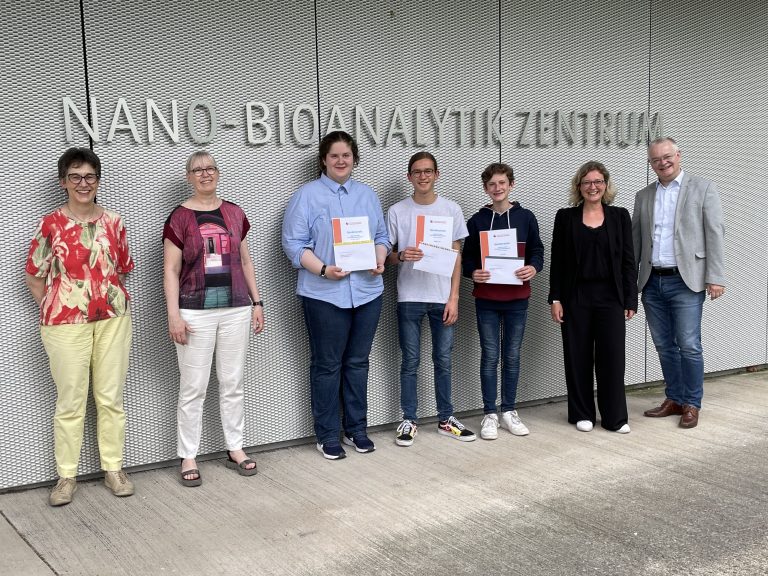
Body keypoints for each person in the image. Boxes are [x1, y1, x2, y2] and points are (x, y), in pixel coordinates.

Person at [25, 147, 135, 506]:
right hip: (64, 323)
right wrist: (55, 305)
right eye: (75, 176)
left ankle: (113, 468)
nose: (83, 183)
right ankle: (66, 475)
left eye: (89, 176)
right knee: (71, 400)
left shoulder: (114, 222)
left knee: (110, 397)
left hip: (113, 319)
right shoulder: (50, 224)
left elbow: (122, 267)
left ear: (98, 181)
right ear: (63, 182)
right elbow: (34, 275)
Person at [282, 131, 389, 460]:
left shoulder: (368, 195)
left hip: (368, 292)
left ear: (355, 158)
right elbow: (294, 245)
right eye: (334, 156)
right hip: (324, 294)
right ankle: (327, 434)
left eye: (346, 155)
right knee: (327, 365)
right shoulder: (306, 196)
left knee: (358, 363)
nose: (341, 161)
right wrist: (324, 269)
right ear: (323, 161)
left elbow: (381, 236)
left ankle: (356, 429)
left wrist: (380, 258)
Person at [163, 151, 264, 486]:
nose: (204, 174)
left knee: (232, 382)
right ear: (188, 176)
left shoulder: (235, 213)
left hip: (235, 308)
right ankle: (188, 454)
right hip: (194, 312)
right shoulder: (179, 218)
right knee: (194, 387)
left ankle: (235, 447)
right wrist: (173, 314)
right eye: (197, 169)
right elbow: (171, 271)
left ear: (218, 173)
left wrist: (257, 302)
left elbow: (246, 262)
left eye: (210, 168)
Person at [633, 137, 725, 429]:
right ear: (651, 164)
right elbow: (636, 241)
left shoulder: (703, 188)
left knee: (689, 344)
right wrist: (628, 281)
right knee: (664, 345)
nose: (663, 162)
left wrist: (715, 276)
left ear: (678, 155)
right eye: (656, 159)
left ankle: (691, 403)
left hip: (687, 281)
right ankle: (674, 398)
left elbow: (715, 233)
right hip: (652, 281)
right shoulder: (644, 195)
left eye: (667, 156)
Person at [386, 152, 474, 446]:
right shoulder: (397, 211)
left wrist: (454, 297)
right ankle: (409, 419)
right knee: (409, 361)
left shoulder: (451, 209)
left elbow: (457, 255)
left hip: (441, 297)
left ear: (437, 174)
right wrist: (400, 256)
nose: (423, 176)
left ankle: (445, 419)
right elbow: (385, 255)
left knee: (444, 360)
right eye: (417, 172)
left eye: (428, 171)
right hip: (409, 295)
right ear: (408, 176)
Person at [548, 161, 637, 433]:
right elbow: (558, 262)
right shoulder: (565, 218)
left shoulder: (620, 216)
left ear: (606, 185)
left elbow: (628, 261)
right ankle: (581, 413)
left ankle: (615, 418)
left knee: (612, 357)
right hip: (576, 297)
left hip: (611, 297)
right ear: (579, 187)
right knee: (577, 356)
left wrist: (631, 299)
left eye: (598, 181)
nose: (593, 187)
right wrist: (556, 298)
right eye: (587, 182)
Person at [463, 163, 544, 440]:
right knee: (490, 356)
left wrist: (533, 267)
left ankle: (509, 410)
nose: (497, 188)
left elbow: (537, 250)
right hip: (486, 298)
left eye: (502, 183)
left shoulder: (526, 217)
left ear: (511, 184)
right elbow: (467, 258)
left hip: (517, 298)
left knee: (511, 356)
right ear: (485, 188)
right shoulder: (477, 221)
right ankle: (489, 414)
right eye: (491, 185)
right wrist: (472, 272)